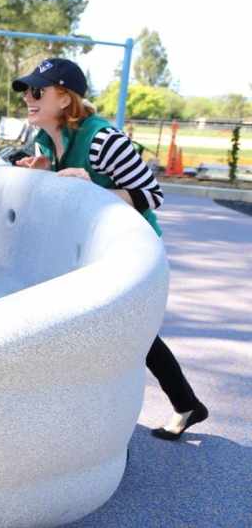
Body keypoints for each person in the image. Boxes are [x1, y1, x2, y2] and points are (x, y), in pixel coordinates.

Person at [12, 58, 208, 440]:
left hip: (132, 253)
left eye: (37, 91)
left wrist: (93, 190)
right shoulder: (43, 141)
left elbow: (152, 194)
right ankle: (185, 404)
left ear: (65, 99)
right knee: (132, 330)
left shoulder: (104, 141)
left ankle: (105, 428)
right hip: (89, 249)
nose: (28, 99)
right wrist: (43, 175)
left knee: (125, 331)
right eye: (26, 92)